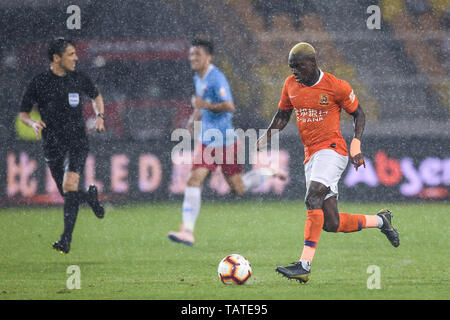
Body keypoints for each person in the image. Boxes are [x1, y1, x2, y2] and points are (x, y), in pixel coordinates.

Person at [257, 42, 399, 283]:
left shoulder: (335, 86)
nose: (294, 72)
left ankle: (304, 266)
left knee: (312, 197)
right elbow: (283, 114)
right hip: (311, 155)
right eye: (292, 67)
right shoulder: (290, 85)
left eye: (298, 67)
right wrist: (265, 137)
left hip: (333, 150)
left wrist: (356, 145)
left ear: (313, 63)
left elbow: (358, 113)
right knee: (331, 223)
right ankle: (381, 221)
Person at [168, 38, 285, 246]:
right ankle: (187, 231)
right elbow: (200, 102)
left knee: (238, 189)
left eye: (198, 54)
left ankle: (268, 172)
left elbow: (229, 106)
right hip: (206, 142)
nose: (193, 58)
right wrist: (192, 119)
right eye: (191, 54)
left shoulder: (216, 78)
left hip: (227, 143)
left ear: (208, 57)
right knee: (194, 179)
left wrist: (206, 105)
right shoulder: (199, 77)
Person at [19, 38, 106, 254]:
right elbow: (23, 112)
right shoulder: (39, 82)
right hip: (52, 144)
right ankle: (90, 198)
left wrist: (100, 116)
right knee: (68, 193)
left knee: (69, 187)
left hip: (77, 141)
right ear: (57, 58)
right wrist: (32, 122)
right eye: (71, 54)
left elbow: (96, 96)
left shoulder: (78, 78)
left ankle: (65, 240)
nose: (76, 58)